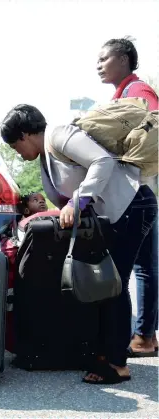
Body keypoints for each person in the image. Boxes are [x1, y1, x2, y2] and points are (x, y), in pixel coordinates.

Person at [0, 104, 158, 384]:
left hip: (132, 206)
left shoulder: (58, 135)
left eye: (14, 146)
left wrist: (78, 200)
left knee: (114, 283)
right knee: (106, 283)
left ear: (25, 135)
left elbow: (103, 162)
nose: (17, 154)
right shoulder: (46, 157)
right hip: (117, 212)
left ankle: (117, 362)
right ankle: (104, 351)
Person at [97, 37, 159, 357]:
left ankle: (144, 337)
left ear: (123, 59)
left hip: (139, 188)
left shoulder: (138, 92)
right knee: (146, 263)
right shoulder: (124, 94)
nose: (98, 65)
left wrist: (126, 156)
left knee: (141, 266)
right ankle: (147, 333)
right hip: (141, 188)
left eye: (104, 59)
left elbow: (155, 126)